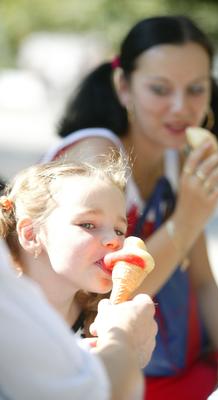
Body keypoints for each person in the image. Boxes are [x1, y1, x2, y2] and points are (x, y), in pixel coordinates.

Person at [42, 15, 218, 399]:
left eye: (196, 89)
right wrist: (186, 219)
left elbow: (203, 281)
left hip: (176, 362)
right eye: (159, 89)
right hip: (98, 364)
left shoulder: (179, 160)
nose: (180, 107)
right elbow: (99, 301)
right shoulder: (96, 156)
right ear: (124, 87)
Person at [0, 157, 157, 400]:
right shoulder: (9, 313)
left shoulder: (96, 323)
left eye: (119, 230)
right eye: (89, 224)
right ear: (30, 235)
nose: (114, 240)